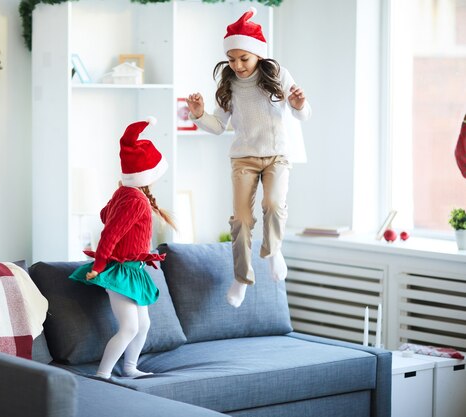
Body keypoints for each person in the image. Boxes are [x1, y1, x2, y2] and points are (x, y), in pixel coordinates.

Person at [186, 7, 311, 308]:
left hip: (276, 156)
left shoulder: (277, 75)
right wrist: (199, 115)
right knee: (241, 220)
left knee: (273, 203)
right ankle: (241, 277)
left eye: (244, 58)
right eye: (232, 59)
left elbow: (302, 115)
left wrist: (298, 104)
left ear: (258, 54)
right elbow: (218, 127)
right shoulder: (228, 84)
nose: (238, 65)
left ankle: (273, 250)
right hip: (243, 158)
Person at [69, 117, 175, 379]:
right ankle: (103, 374)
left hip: (134, 271)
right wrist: (99, 265)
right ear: (149, 174)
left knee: (144, 325)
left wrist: (117, 195)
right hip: (121, 271)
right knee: (129, 327)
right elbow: (110, 233)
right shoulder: (137, 200)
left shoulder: (126, 194)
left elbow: (106, 214)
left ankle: (129, 367)